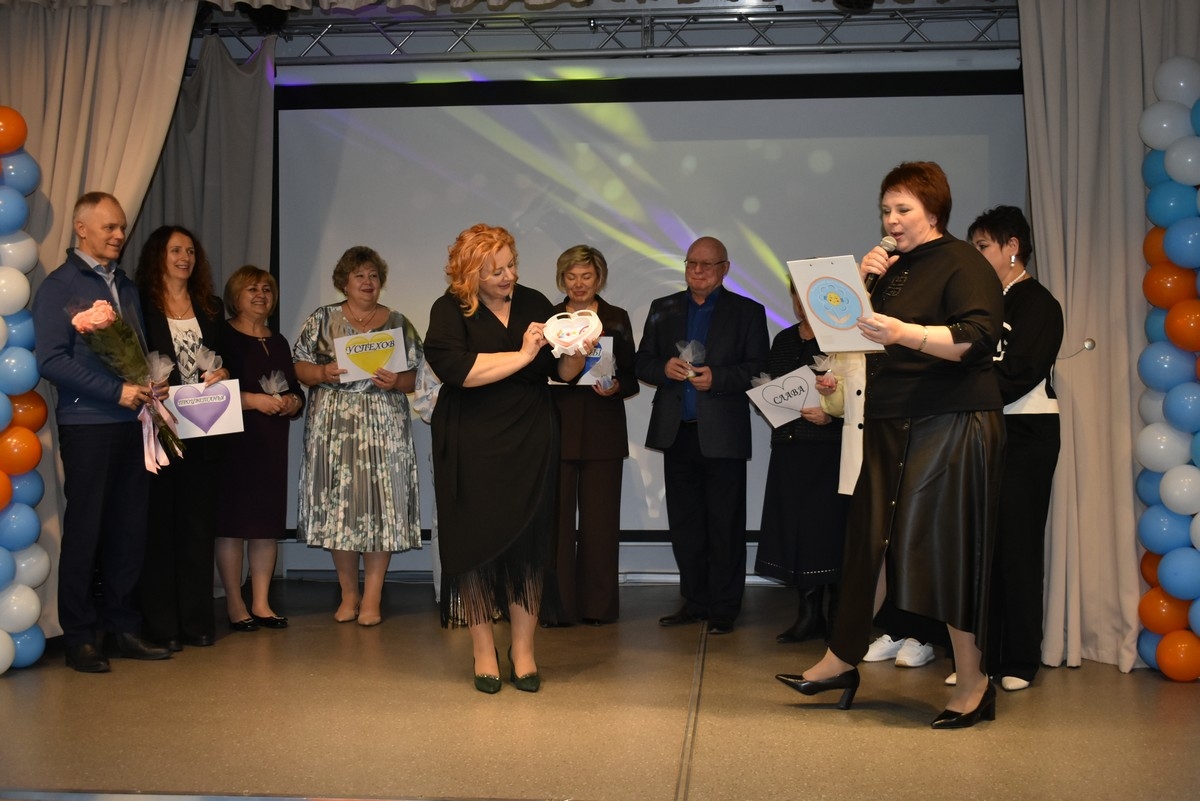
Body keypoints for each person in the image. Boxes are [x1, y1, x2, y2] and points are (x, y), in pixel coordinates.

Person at [776, 161, 1005, 729]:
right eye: (886, 210)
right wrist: (856, 287)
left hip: (951, 421)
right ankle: (840, 660)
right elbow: (848, 340)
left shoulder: (963, 261)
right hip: (889, 419)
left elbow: (977, 339)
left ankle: (974, 682)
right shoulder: (889, 269)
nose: (892, 220)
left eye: (904, 209)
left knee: (946, 553)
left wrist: (904, 332)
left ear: (934, 210)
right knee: (868, 542)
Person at [424, 224, 588, 693]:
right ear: (468, 272)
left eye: (511, 265)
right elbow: (460, 371)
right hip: (470, 439)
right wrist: (522, 353)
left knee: (530, 543)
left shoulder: (535, 303)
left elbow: (562, 372)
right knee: (473, 543)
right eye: (495, 270)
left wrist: (578, 352)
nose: (508, 276)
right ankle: (482, 650)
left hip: (530, 435)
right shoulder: (448, 309)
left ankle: (523, 649)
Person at [31, 191, 171, 672]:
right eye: (109, 227)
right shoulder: (59, 286)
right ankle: (80, 637)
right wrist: (115, 391)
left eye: (122, 227)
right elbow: (51, 361)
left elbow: (135, 353)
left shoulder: (125, 286)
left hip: (134, 423)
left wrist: (149, 385)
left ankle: (123, 628)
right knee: (86, 531)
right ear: (81, 228)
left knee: (128, 531)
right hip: (88, 425)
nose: (119, 235)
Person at [635, 236, 769, 635]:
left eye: (707, 264)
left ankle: (725, 607)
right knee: (686, 524)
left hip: (723, 434)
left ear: (725, 269)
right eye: (692, 263)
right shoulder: (663, 308)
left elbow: (760, 368)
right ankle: (694, 602)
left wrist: (720, 378)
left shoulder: (747, 311)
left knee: (725, 524)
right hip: (677, 433)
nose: (697, 271)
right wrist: (664, 369)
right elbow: (642, 361)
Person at [293, 246, 423, 627]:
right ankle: (349, 593)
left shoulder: (398, 322)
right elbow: (298, 365)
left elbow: (419, 376)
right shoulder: (323, 318)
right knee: (340, 509)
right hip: (333, 424)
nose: (368, 282)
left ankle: (373, 595)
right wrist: (322, 373)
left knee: (382, 507)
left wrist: (397, 381)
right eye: (359, 276)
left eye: (373, 276)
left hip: (384, 423)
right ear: (344, 282)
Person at [968, 205, 1063, 692]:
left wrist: (965, 389)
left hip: (1027, 434)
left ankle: (1020, 660)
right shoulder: (982, 304)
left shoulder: (1037, 303)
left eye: (983, 246)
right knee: (982, 550)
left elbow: (1020, 371)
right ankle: (981, 659)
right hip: (983, 430)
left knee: (1018, 546)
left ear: (1013, 247)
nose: (976, 256)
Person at [135, 225, 232, 651]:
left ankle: (197, 622)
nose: (185, 258)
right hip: (159, 430)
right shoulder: (140, 305)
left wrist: (223, 372)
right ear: (159, 255)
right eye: (176, 250)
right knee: (159, 528)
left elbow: (225, 359)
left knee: (197, 528)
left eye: (190, 251)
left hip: (204, 429)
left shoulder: (210, 306)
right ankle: (162, 626)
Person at [541, 245, 638, 627]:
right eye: (571, 276)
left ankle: (598, 607)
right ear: (562, 279)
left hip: (603, 430)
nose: (579, 284)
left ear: (599, 279)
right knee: (557, 526)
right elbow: (538, 372)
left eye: (586, 276)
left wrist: (616, 387)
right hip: (557, 429)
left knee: (600, 525)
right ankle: (558, 608)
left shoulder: (616, 318)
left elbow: (631, 375)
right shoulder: (549, 320)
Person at [754, 280, 847, 644]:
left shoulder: (842, 341)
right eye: (796, 294)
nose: (800, 303)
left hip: (828, 450)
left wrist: (831, 416)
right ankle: (809, 615)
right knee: (794, 530)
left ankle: (838, 618)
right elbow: (771, 385)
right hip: (788, 447)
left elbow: (860, 394)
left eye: (808, 295)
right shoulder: (783, 339)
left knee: (828, 533)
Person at [216, 266, 306, 632]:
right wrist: (254, 401)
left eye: (267, 289)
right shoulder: (221, 335)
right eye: (251, 289)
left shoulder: (279, 341)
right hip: (233, 441)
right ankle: (235, 603)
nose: (261, 295)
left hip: (271, 441)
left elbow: (295, 390)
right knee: (233, 525)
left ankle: (261, 602)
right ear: (235, 296)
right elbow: (207, 393)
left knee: (265, 525)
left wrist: (292, 403)